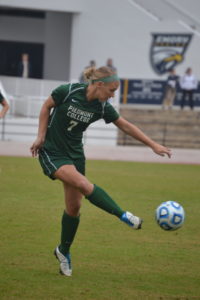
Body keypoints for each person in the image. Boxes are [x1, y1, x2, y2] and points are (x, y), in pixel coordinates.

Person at [30, 66, 171, 277]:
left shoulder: (103, 106)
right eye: (112, 90)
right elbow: (46, 106)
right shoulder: (67, 91)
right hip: (53, 151)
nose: (113, 95)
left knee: (73, 207)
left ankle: (63, 251)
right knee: (85, 185)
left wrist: (153, 145)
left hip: (75, 154)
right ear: (99, 84)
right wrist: (41, 136)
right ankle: (124, 215)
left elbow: (126, 126)